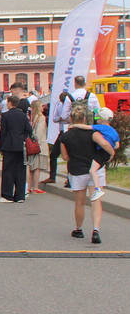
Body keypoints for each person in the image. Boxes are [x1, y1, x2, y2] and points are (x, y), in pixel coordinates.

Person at [60, 104, 116, 244]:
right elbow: (104, 143)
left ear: (71, 118)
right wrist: (111, 153)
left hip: (77, 171)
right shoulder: (93, 133)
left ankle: (79, 229)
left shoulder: (65, 136)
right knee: (96, 200)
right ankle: (96, 230)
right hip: (95, 169)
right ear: (85, 119)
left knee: (79, 203)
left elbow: (65, 157)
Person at [68, 106, 120, 201]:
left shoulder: (101, 127)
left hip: (101, 153)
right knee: (95, 169)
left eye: (97, 118)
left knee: (92, 171)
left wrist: (74, 125)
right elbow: (117, 145)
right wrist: (111, 150)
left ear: (101, 119)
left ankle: (97, 189)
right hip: (106, 154)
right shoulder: (113, 131)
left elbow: (86, 127)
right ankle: (97, 189)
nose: (96, 120)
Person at [0, 95, 32, 203]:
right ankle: (20, 195)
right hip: (20, 146)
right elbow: (29, 130)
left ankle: (7, 195)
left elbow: (3, 132)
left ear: (10, 103)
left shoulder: (6, 115)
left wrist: (1, 146)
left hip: (9, 145)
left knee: (8, 170)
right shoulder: (23, 116)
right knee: (20, 171)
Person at [28, 101, 48, 195]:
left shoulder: (33, 117)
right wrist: (39, 143)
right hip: (39, 145)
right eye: (41, 106)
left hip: (31, 145)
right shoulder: (42, 118)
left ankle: (29, 187)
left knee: (31, 167)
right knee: (37, 167)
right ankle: (35, 187)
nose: (42, 107)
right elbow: (39, 133)